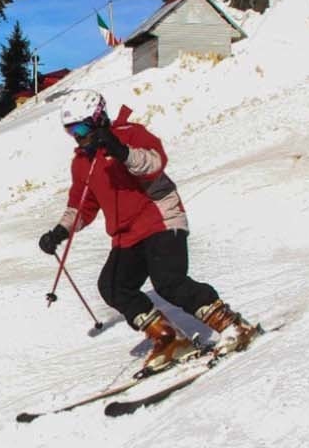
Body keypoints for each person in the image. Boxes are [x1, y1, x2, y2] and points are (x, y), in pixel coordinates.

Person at [37, 89, 257, 374]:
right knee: (113, 286)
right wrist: (60, 231)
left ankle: (233, 325)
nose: (77, 136)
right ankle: (169, 338)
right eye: (70, 131)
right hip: (125, 235)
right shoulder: (82, 162)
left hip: (159, 218)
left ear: (98, 118)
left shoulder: (130, 134)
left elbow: (155, 163)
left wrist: (120, 150)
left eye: (80, 127)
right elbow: (82, 204)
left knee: (169, 281)